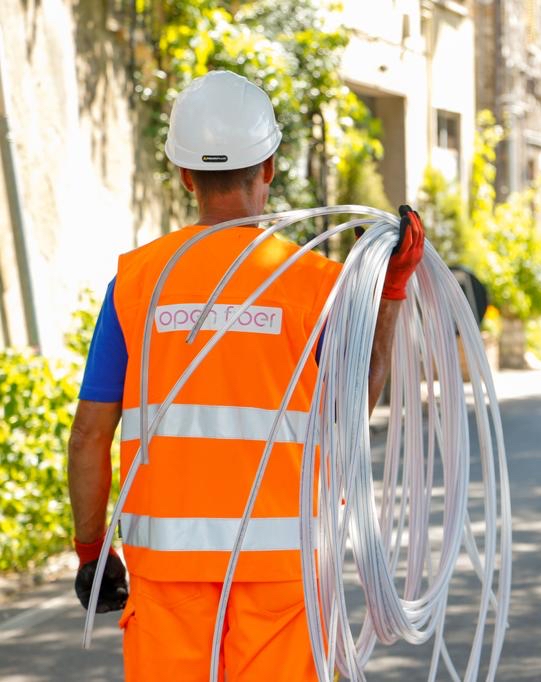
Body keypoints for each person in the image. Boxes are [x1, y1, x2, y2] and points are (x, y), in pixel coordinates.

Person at [67, 70, 424, 680]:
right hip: (282, 573)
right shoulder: (314, 285)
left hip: (166, 572)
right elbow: (351, 411)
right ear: (269, 167)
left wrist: (92, 551)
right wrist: (387, 294)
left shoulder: (135, 283)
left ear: (184, 176)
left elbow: (90, 435)